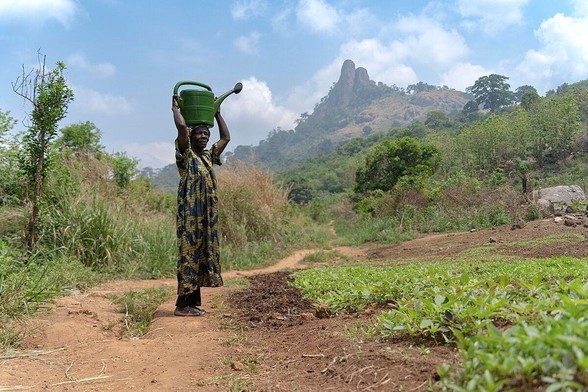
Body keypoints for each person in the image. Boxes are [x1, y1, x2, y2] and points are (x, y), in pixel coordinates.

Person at [171, 95, 230, 316]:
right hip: (190, 217)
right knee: (189, 256)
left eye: (207, 133)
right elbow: (182, 128)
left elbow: (226, 137)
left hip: (207, 217)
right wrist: (176, 110)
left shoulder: (208, 156)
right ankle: (181, 305)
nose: (204, 136)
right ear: (191, 136)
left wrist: (217, 113)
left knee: (202, 255)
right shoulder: (186, 155)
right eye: (200, 133)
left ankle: (191, 302)